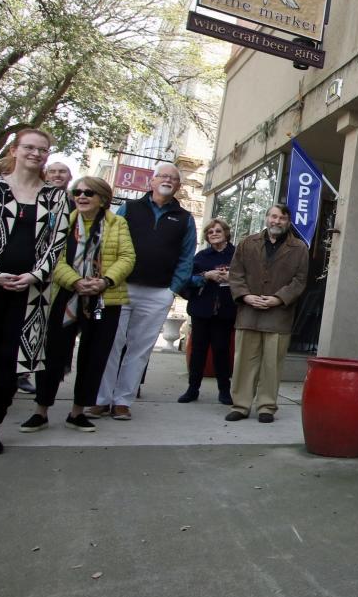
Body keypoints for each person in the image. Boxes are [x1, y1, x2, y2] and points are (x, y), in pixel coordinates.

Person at [0, 129, 70, 455]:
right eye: (30, 147)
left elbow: (56, 244)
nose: (36, 154)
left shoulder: (56, 197)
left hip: (29, 294)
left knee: (10, 363)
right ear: (16, 150)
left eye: (43, 150)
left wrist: (35, 275)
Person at [19, 177, 135, 433]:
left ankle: (77, 412)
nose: (81, 196)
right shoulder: (63, 221)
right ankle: (41, 411)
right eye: (78, 192)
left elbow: (127, 257)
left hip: (105, 299)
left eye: (88, 193)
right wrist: (75, 281)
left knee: (94, 357)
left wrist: (105, 281)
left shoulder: (118, 223)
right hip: (67, 296)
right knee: (53, 354)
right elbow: (52, 257)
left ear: (102, 198)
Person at [90, 163, 195, 420]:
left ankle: (123, 401)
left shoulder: (184, 219)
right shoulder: (129, 208)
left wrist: (173, 289)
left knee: (140, 349)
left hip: (158, 292)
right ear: (152, 180)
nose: (168, 180)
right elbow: (110, 243)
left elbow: (186, 257)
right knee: (112, 343)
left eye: (173, 177)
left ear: (178, 186)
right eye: (163, 176)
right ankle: (102, 399)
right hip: (121, 287)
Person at [224, 204, 307, 423]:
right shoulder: (246, 243)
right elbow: (236, 274)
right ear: (267, 218)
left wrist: (278, 298)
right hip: (248, 312)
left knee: (272, 364)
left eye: (282, 218)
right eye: (273, 216)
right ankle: (240, 405)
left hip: (278, 315)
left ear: (288, 221)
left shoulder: (299, 248)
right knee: (244, 362)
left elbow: (300, 280)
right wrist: (245, 296)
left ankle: (266, 407)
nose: (276, 221)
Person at [17, 158, 75, 395]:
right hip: (29, 270)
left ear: (69, 177)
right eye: (53, 171)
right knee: (24, 324)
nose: (57, 175)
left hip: (60, 274)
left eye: (62, 172)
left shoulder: (74, 202)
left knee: (47, 328)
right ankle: (20, 373)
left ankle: (38, 371)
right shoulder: (35, 197)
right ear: (45, 174)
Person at [179, 218, 237, 405]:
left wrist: (231, 277)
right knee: (198, 351)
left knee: (221, 350)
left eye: (218, 230)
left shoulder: (237, 255)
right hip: (202, 310)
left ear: (226, 233)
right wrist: (206, 276)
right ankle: (192, 389)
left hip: (225, 310)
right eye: (210, 232)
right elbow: (187, 280)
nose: (214, 234)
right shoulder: (201, 257)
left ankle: (224, 390)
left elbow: (248, 277)